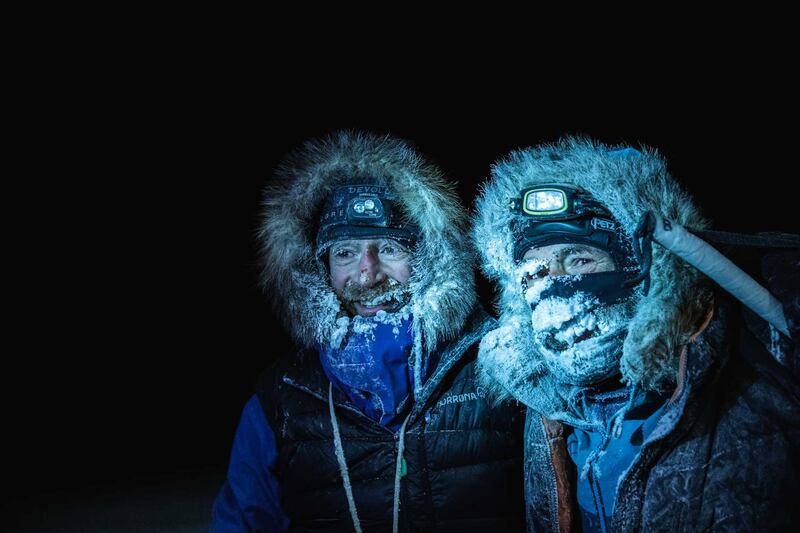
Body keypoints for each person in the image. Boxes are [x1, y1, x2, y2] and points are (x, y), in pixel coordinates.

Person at [472, 137, 800, 531]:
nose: (555, 287)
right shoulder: (544, 404)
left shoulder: (752, 366)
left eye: (579, 259)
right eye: (535, 271)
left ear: (638, 268)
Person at [211, 131, 524, 532]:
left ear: (428, 258)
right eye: (345, 252)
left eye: (389, 248)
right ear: (319, 271)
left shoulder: (500, 365)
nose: (367, 271)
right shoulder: (282, 398)